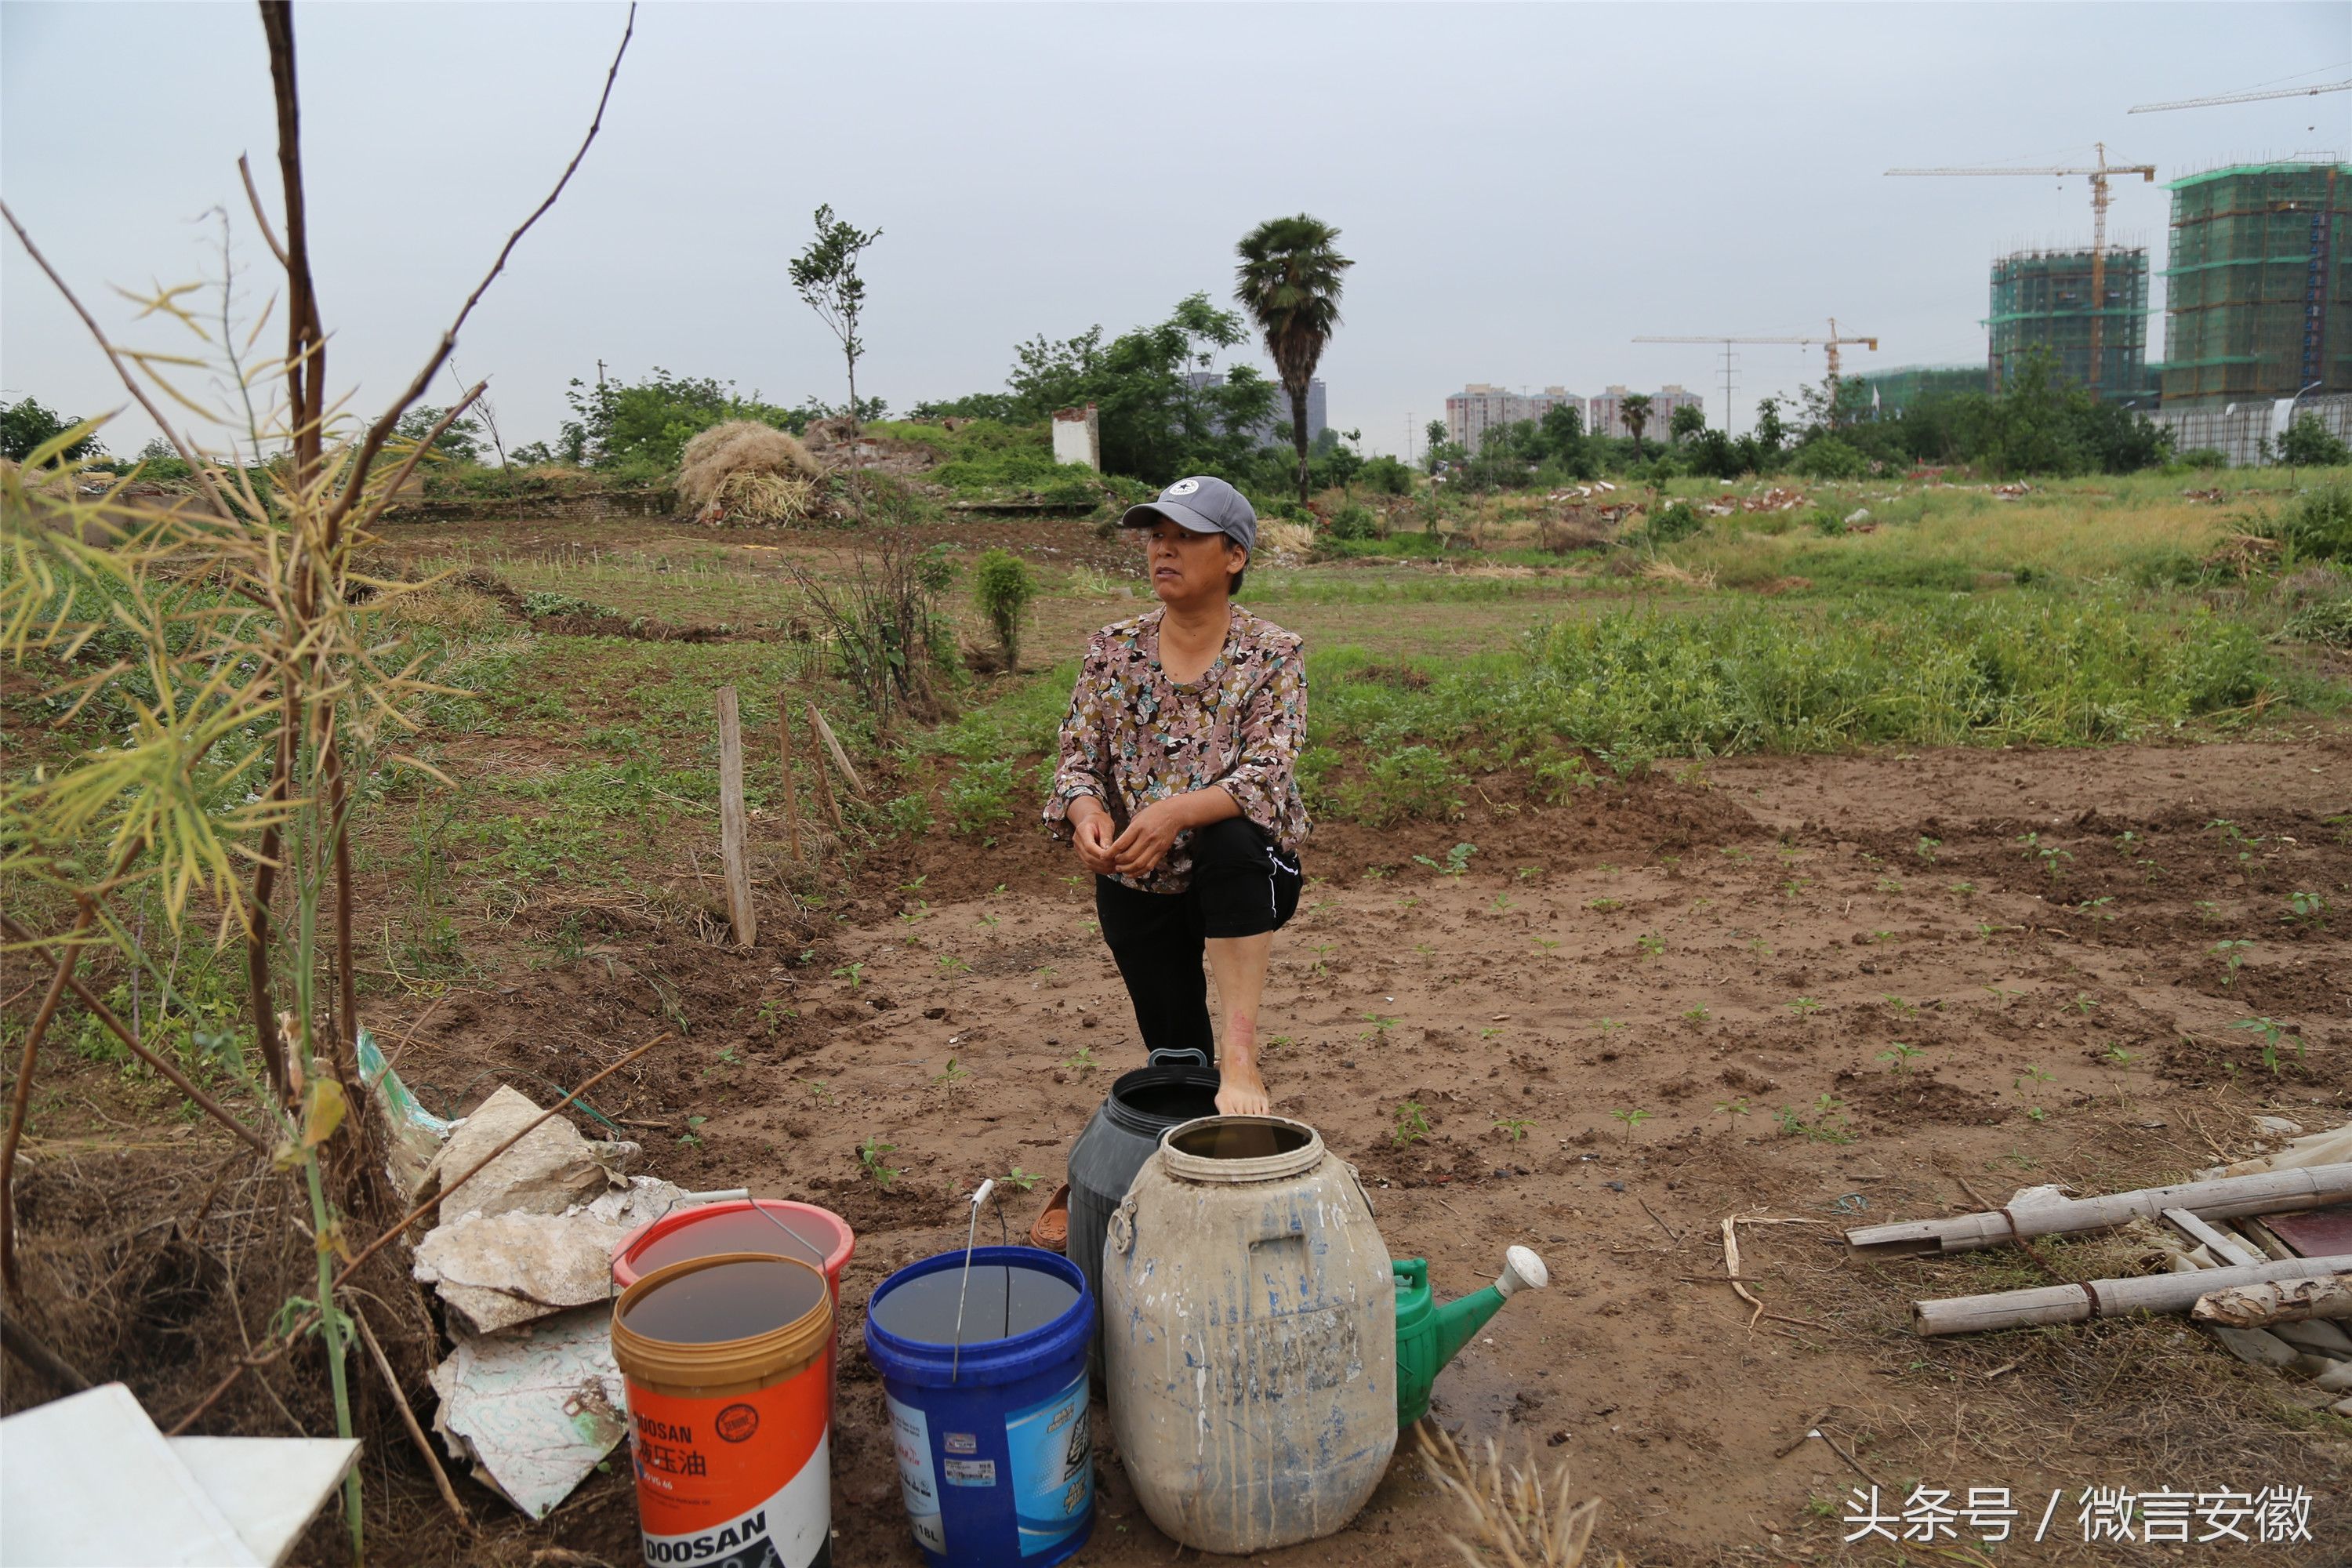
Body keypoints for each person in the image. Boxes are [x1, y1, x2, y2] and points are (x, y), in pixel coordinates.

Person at [1044, 475, 1308, 1116]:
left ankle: (1241, 1056)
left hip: (1248, 875)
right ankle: (1198, 1079)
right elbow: (1076, 761)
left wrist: (1172, 812)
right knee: (1179, 1062)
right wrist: (1089, 815)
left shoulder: (1271, 653)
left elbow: (1265, 774)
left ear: (1234, 557)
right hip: (1140, 871)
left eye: (1186, 537)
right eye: (1157, 536)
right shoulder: (1113, 650)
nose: (1164, 549)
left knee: (1230, 836)